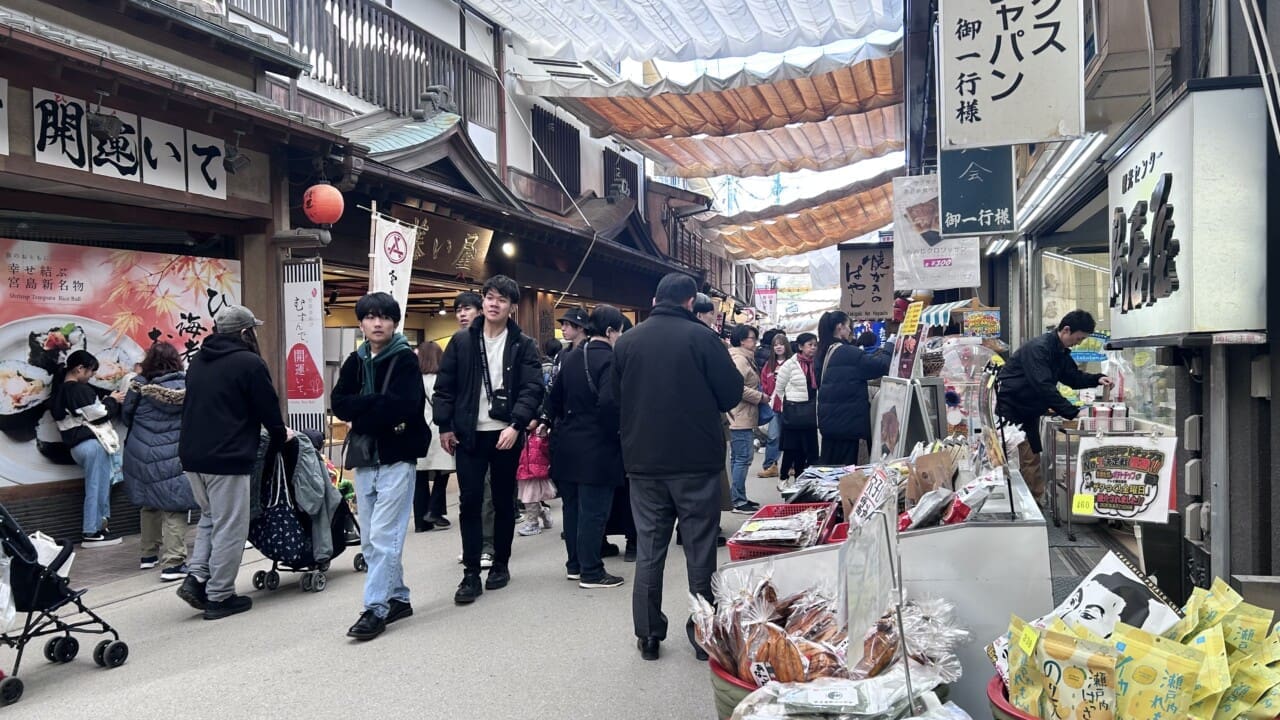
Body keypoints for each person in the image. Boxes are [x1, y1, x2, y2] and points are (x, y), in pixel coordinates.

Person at [614, 273, 742, 661]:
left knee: (650, 549)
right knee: (700, 548)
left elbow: (614, 398)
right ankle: (703, 634)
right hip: (695, 461)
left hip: (643, 462)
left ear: (655, 300)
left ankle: (649, 635)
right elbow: (731, 392)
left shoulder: (628, 341)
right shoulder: (703, 339)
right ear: (690, 302)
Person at [434, 275, 545, 605]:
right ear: (483, 301)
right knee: (468, 502)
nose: (494, 303)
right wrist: (445, 425)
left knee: (501, 501)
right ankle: (470, 573)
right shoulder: (461, 341)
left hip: (504, 434)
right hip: (469, 433)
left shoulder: (522, 344)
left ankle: (500, 564)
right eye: (489, 297)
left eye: (501, 299)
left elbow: (532, 388)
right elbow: (445, 386)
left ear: (512, 307)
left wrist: (517, 424)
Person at [177, 305, 286, 620]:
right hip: (226, 456)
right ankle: (220, 595)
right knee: (230, 526)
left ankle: (197, 579)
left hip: (192, 456)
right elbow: (268, 408)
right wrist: (280, 438)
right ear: (244, 332)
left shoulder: (198, 361)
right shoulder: (249, 363)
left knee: (210, 518)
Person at [332, 292, 429, 640]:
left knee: (383, 537)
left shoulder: (404, 360)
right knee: (373, 537)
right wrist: (373, 404)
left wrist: (363, 410)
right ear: (361, 323)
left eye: (384, 317)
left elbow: (402, 407)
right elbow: (339, 403)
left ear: (394, 322)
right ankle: (398, 597)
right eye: (370, 317)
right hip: (365, 459)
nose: (377, 323)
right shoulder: (355, 361)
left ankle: (375, 608)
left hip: (397, 456)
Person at [544, 304, 627, 589]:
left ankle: (575, 565)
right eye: (619, 332)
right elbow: (609, 403)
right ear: (609, 331)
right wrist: (613, 431)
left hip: (566, 444)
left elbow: (552, 400)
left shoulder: (570, 357)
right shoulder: (609, 361)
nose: (620, 337)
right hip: (597, 448)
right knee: (593, 511)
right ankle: (592, 571)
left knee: (573, 508)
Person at [996, 310, 1111, 501]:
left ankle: (1033, 504)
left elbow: (1072, 377)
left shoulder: (1060, 351)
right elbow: (1043, 386)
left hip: (1029, 410)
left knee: (1032, 457)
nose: (1079, 343)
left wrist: (1098, 379)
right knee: (1017, 459)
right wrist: (1072, 412)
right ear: (1066, 330)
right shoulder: (1039, 349)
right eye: (1079, 338)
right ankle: (1019, 504)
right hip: (1011, 411)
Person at [122, 342, 197, 580]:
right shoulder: (188, 386)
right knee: (175, 504)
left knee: (149, 502)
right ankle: (173, 562)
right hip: (173, 452)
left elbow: (126, 416)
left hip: (141, 451)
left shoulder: (139, 386)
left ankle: (148, 555)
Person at [51, 350, 127, 548]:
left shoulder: (59, 390)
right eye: (91, 371)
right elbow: (99, 414)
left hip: (77, 448)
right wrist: (113, 400)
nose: (92, 376)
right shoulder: (77, 390)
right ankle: (92, 531)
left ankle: (98, 528)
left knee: (97, 485)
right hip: (92, 445)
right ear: (80, 369)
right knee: (97, 487)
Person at [453, 291, 497, 568]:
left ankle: (490, 545)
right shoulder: (458, 344)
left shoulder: (495, 342)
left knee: (491, 491)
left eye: (467, 308)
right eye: (458, 309)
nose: (461, 314)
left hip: (494, 427)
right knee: (469, 494)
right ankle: (473, 545)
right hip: (467, 430)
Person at [818, 331, 894, 466]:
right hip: (850, 423)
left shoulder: (826, 352)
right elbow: (881, 366)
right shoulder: (849, 353)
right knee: (851, 469)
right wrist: (890, 345)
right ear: (840, 327)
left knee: (832, 469)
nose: (850, 332)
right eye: (848, 327)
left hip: (832, 422)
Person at [726, 324, 765, 513]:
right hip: (740, 417)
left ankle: (737, 496)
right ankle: (738, 500)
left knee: (738, 459)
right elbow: (737, 387)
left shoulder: (744, 358)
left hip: (741, 415)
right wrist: (760, 397)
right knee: (743, 458)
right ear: (742, 340)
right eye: (752, 339)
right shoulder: (740, 360)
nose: (755, 343)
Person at [414, 341, 452, 532]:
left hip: (418, 432)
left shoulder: (414, 379)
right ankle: (434, 510)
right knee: (442, 473)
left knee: (419, 478)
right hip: (438, 431)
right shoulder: (440, 380)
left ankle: (422, 522)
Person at [773, 332, 819, 480]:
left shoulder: (816, 364)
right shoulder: (790, 364)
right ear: (800, 347)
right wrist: (788, 403)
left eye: (815, 345)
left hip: (811, 412)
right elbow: (779, 388)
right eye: (809, 345)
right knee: (791, 448)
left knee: (807, 449)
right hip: (794, 413)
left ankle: (800, 479)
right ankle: (783, 477)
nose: (813, 348)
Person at [757, 332, 790, 479]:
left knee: (791, 437)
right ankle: (770, 466)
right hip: (774, 406)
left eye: (781, 344)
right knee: (773, 436)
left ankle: (792, 466)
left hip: (791, 406)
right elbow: (763, 382)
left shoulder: (792, 362)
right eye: (775, 345)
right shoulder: (768, 365)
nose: (778, 347)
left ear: (786, 346)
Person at [814, 310, 852, 387]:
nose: (850, 330)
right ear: (840, 326)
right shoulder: (844, 350)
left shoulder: (820, 349)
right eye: (848, 326)